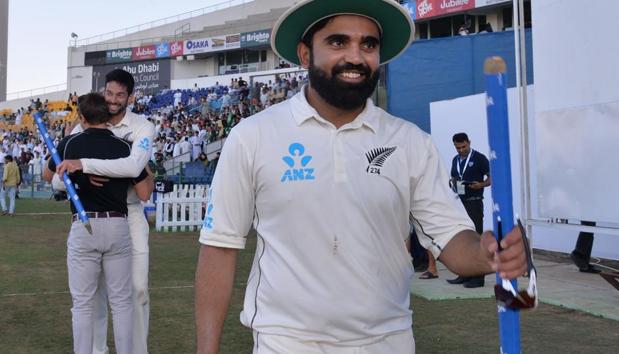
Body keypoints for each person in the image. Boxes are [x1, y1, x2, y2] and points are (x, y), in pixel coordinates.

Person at [194, 1, 527, 353]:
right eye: (338, 42)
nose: (356, 56)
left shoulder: (409, 141)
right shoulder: (253, 136)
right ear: (305, 55)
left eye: (368, 44)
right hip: (286, 341)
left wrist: (488, 254)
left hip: (387, 341)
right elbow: (219, 248)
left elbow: (450, 239)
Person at [54, 69, 155, 354]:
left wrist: (84, 165)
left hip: (129, 212)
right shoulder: (82, 126)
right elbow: (56, 178)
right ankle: (98, 350)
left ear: (130, 98)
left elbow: (135, 168)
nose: (112, 100)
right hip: (92, 213)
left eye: (120, 95)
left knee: (136, 290)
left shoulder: (143, 127)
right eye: (108, 93)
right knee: (94, 294)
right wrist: (81, 178)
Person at [447, 132, 492, 288]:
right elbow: (454, 176)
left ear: (469, 142)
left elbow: (491, 177)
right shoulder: (455, 159)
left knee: (476, 239)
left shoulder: (480, 158)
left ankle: (479, 278)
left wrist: (480, 185)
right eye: (457, 147)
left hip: (474, 202)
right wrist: (452, 184)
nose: (460, 150)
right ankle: (464, 274)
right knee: (462, 238)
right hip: (460, 203)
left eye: (463, 147)